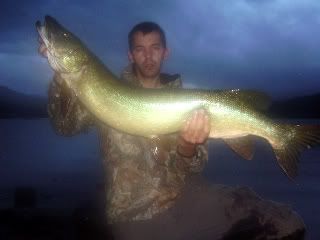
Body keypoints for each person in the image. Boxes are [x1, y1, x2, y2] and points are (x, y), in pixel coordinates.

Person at [39, 21, 306, 239]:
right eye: (140, 49)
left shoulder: (185, 101)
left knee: (286, 223)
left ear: (165, 52)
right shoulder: (101, 88)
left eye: (155, 48)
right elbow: (65, 126)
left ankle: (283, 139)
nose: (148, 56)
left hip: (185, 197)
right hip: (132, 212)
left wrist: (187, 147)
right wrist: (61, 78)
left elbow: (194, 166)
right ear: (130, 55)